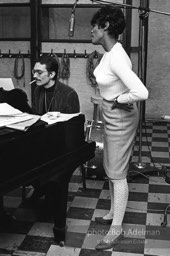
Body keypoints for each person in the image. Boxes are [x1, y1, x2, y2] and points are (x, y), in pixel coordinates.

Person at [90, 6, 149, 251]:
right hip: (112, 113)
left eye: (94, 25)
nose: (91, 30)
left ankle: (116, 229)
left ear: (105, 27)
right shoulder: (110, 51)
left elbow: (141, 92)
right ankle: (113, 212)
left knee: (117, 172)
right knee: (110, 166)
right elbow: (111, 84)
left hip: (121, 118)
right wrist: (106, 99)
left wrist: (116, 101)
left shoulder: (116, 56)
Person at [28, 54, 80, 245]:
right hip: (43, 143)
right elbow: (36, 117)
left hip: (60, 148)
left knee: (50, 173)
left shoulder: (69, 94)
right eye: (34, 71)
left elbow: (73, 132)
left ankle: (59, 226)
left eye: (39, 72)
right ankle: (41, 187)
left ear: (52, 74)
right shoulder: (37, 90)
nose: (35, 75)